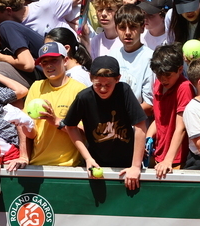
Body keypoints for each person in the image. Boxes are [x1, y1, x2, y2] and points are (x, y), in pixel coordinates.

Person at [62, 56, 147, 190]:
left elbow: (140, 125)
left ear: (118, 79)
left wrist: (135, 166)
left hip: (128, 165)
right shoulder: (84, 97)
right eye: (98, 84)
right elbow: (70, 126)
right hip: (97, 165)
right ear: (90, 78)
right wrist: (88, 158)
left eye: (108, 85)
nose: (102, 89)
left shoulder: (124, 91)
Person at [27, 43, 87, 166]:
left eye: (54, 60)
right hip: (36, 166)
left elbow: (85, 134)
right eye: (44, 62)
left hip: (68, 167)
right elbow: (28, 130)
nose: (49, 65)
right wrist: (23, 156)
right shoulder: (36, 87)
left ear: (65, 60)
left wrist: (56, 121)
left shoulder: (80, 90)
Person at [148, 43, 193, 178]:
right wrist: (148, 138)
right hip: (158, 156)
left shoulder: (184, 88)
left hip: (175, 160)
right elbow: (159, 118)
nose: (163, 79)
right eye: (159, 74)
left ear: (180, 69)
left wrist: (168, 160)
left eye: (168, 75)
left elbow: (181, 128)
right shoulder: (158, 84)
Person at [111, 3, 154, 113]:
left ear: (142, 28)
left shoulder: (150, 58)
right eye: (122, 27)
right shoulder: (112, 56)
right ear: (116, 29)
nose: (127, 33)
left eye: (133, 27)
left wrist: (122, 115)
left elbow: (149, 105)